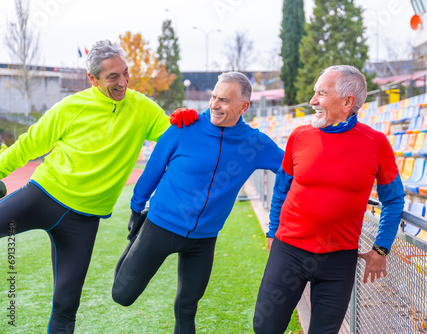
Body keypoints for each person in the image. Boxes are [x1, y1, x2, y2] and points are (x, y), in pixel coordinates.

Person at [0, 40, 196, 333]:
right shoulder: (70, 107)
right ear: (92, 79)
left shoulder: (142, 108)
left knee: (66, 306)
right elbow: (27, 146)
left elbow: (176, 138)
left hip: (83, 221)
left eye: (125, 73)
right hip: (42, 196)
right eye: (113, 77)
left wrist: (189, 122)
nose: (123, 82)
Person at [112, 72, 285, 333]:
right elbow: (153, 171)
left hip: (203, 239)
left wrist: (277, 224)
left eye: (224, 100)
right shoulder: (184, 128)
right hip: (160, 225)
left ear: (243, 106)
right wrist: (137, 208)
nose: (214, 104)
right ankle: (135, 244)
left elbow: (290, 170)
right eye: (214, 96)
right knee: (122, 295)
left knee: (187, 307)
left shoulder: (255, 143)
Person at [253, 65, 406, 334]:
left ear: (347, 102)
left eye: (321, 94)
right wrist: (273, 231)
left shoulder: (376, 143)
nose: (313, 101)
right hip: (289, 251)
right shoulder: (299, 136)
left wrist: (381, 248)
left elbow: (393, 200)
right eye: (315, 93)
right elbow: (281, 188)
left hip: (338, 260)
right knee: (265, 327)